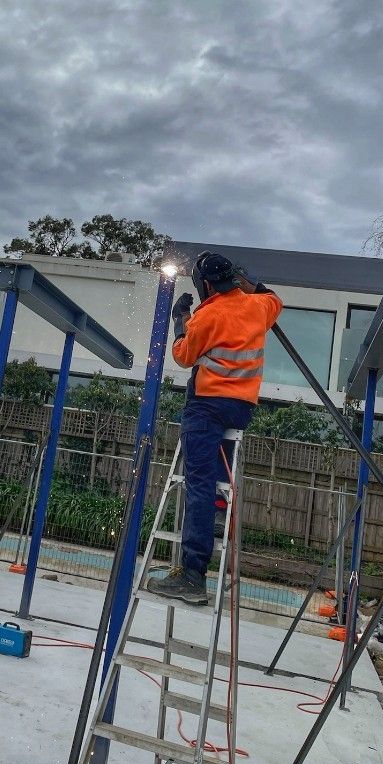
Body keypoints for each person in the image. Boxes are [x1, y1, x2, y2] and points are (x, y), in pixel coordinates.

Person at [147, 253, 282, 604]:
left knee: (199, 485)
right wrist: (246, 282)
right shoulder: (257, 306)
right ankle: (218, 515)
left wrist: (180, 320)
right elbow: (274, 299)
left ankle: (193, 576)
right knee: (218, 483)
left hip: (206, 410)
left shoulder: (207, 316)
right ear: (233, 279)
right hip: (241, 410)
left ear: (204, 284)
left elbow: (183, 355)